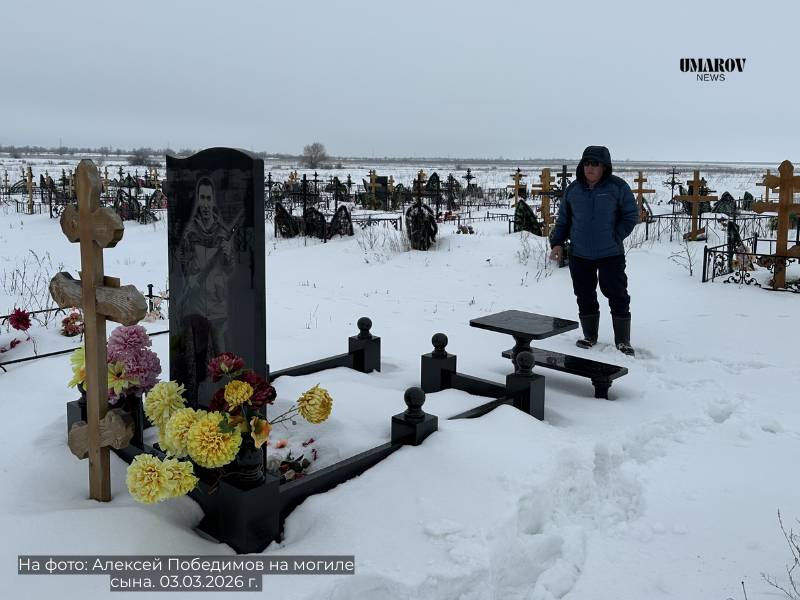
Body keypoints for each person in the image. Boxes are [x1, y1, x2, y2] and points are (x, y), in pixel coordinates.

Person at [549, 146, 639, 356]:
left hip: (610, 253)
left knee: (617, 295)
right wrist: (558, 243)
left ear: (604, 167)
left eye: (595, 164)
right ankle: (589, 336)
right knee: (584, 294)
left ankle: (623, 341)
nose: (590, 167)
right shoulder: (573, 190)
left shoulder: (617, 187)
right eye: (586, 163)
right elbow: (564, 220)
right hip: (580, 254)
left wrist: (615, 236)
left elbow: (631, 215)